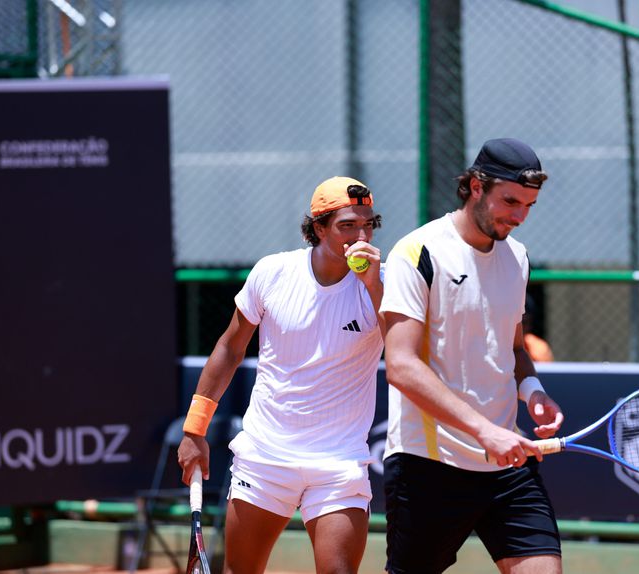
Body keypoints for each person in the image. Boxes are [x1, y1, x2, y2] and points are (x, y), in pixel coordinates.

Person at [177, 176, 385, 574]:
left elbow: (405, 351)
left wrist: (375, 287)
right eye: (347, 226)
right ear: (318, 227)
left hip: (338, 462)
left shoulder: (385, 283)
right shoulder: (272, 273)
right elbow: (229, 348)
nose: (360, 236)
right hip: (265, 456)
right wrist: (194, 430)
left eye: (368, 224)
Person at [380, 138, 565, 574]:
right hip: (429, 465)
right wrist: (485, 432)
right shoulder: (417, 252)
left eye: (529, 206)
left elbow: (514, 345)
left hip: (508, 465)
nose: (519, 216)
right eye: (510, 201)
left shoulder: (517, 258)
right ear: (476, 186)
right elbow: (401, 366)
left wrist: (532, 390)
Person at [523, 293, 555, 363]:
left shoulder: (539, 348)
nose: (521, 328)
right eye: (519, 322)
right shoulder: (497, 347)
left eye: (525, 323)